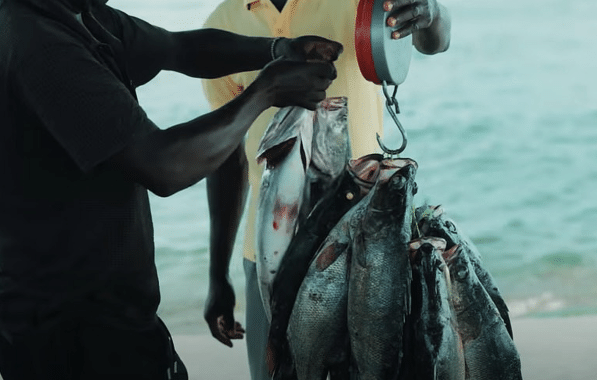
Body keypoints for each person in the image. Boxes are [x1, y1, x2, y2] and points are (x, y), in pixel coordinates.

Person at [0, 0, 342, 378]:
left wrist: (276, 50)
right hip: (70, 335)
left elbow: (181, 48)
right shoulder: (37, 42)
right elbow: (162, 166)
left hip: (115, 316)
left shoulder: (85, 15)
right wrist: (265, 92)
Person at [200, 0, 451, 379]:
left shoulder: (358, 2)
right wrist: (218, 274)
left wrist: (431, 12)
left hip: (367, 250)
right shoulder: (221, 25)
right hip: (267, 252)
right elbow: (224, 156)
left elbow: (433, 41)